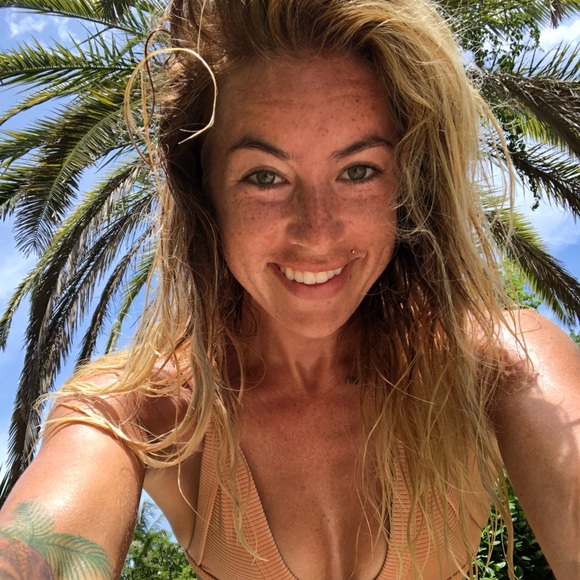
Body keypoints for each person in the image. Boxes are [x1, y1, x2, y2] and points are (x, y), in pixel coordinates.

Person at [1, 0, 579, 578]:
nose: (317, 232)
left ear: (407, 185)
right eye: (265, 177)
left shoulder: (500, 365)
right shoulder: (140, 410)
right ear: (205, 192)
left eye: (358, 170)